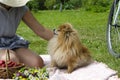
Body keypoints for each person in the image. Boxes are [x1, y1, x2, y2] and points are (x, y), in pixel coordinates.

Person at [0, 0, 53, 68]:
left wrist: (62, 38)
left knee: (37, 63)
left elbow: (41, 30)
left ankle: (15, 59)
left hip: (11, 42)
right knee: (11, 60)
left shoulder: (21, 8)